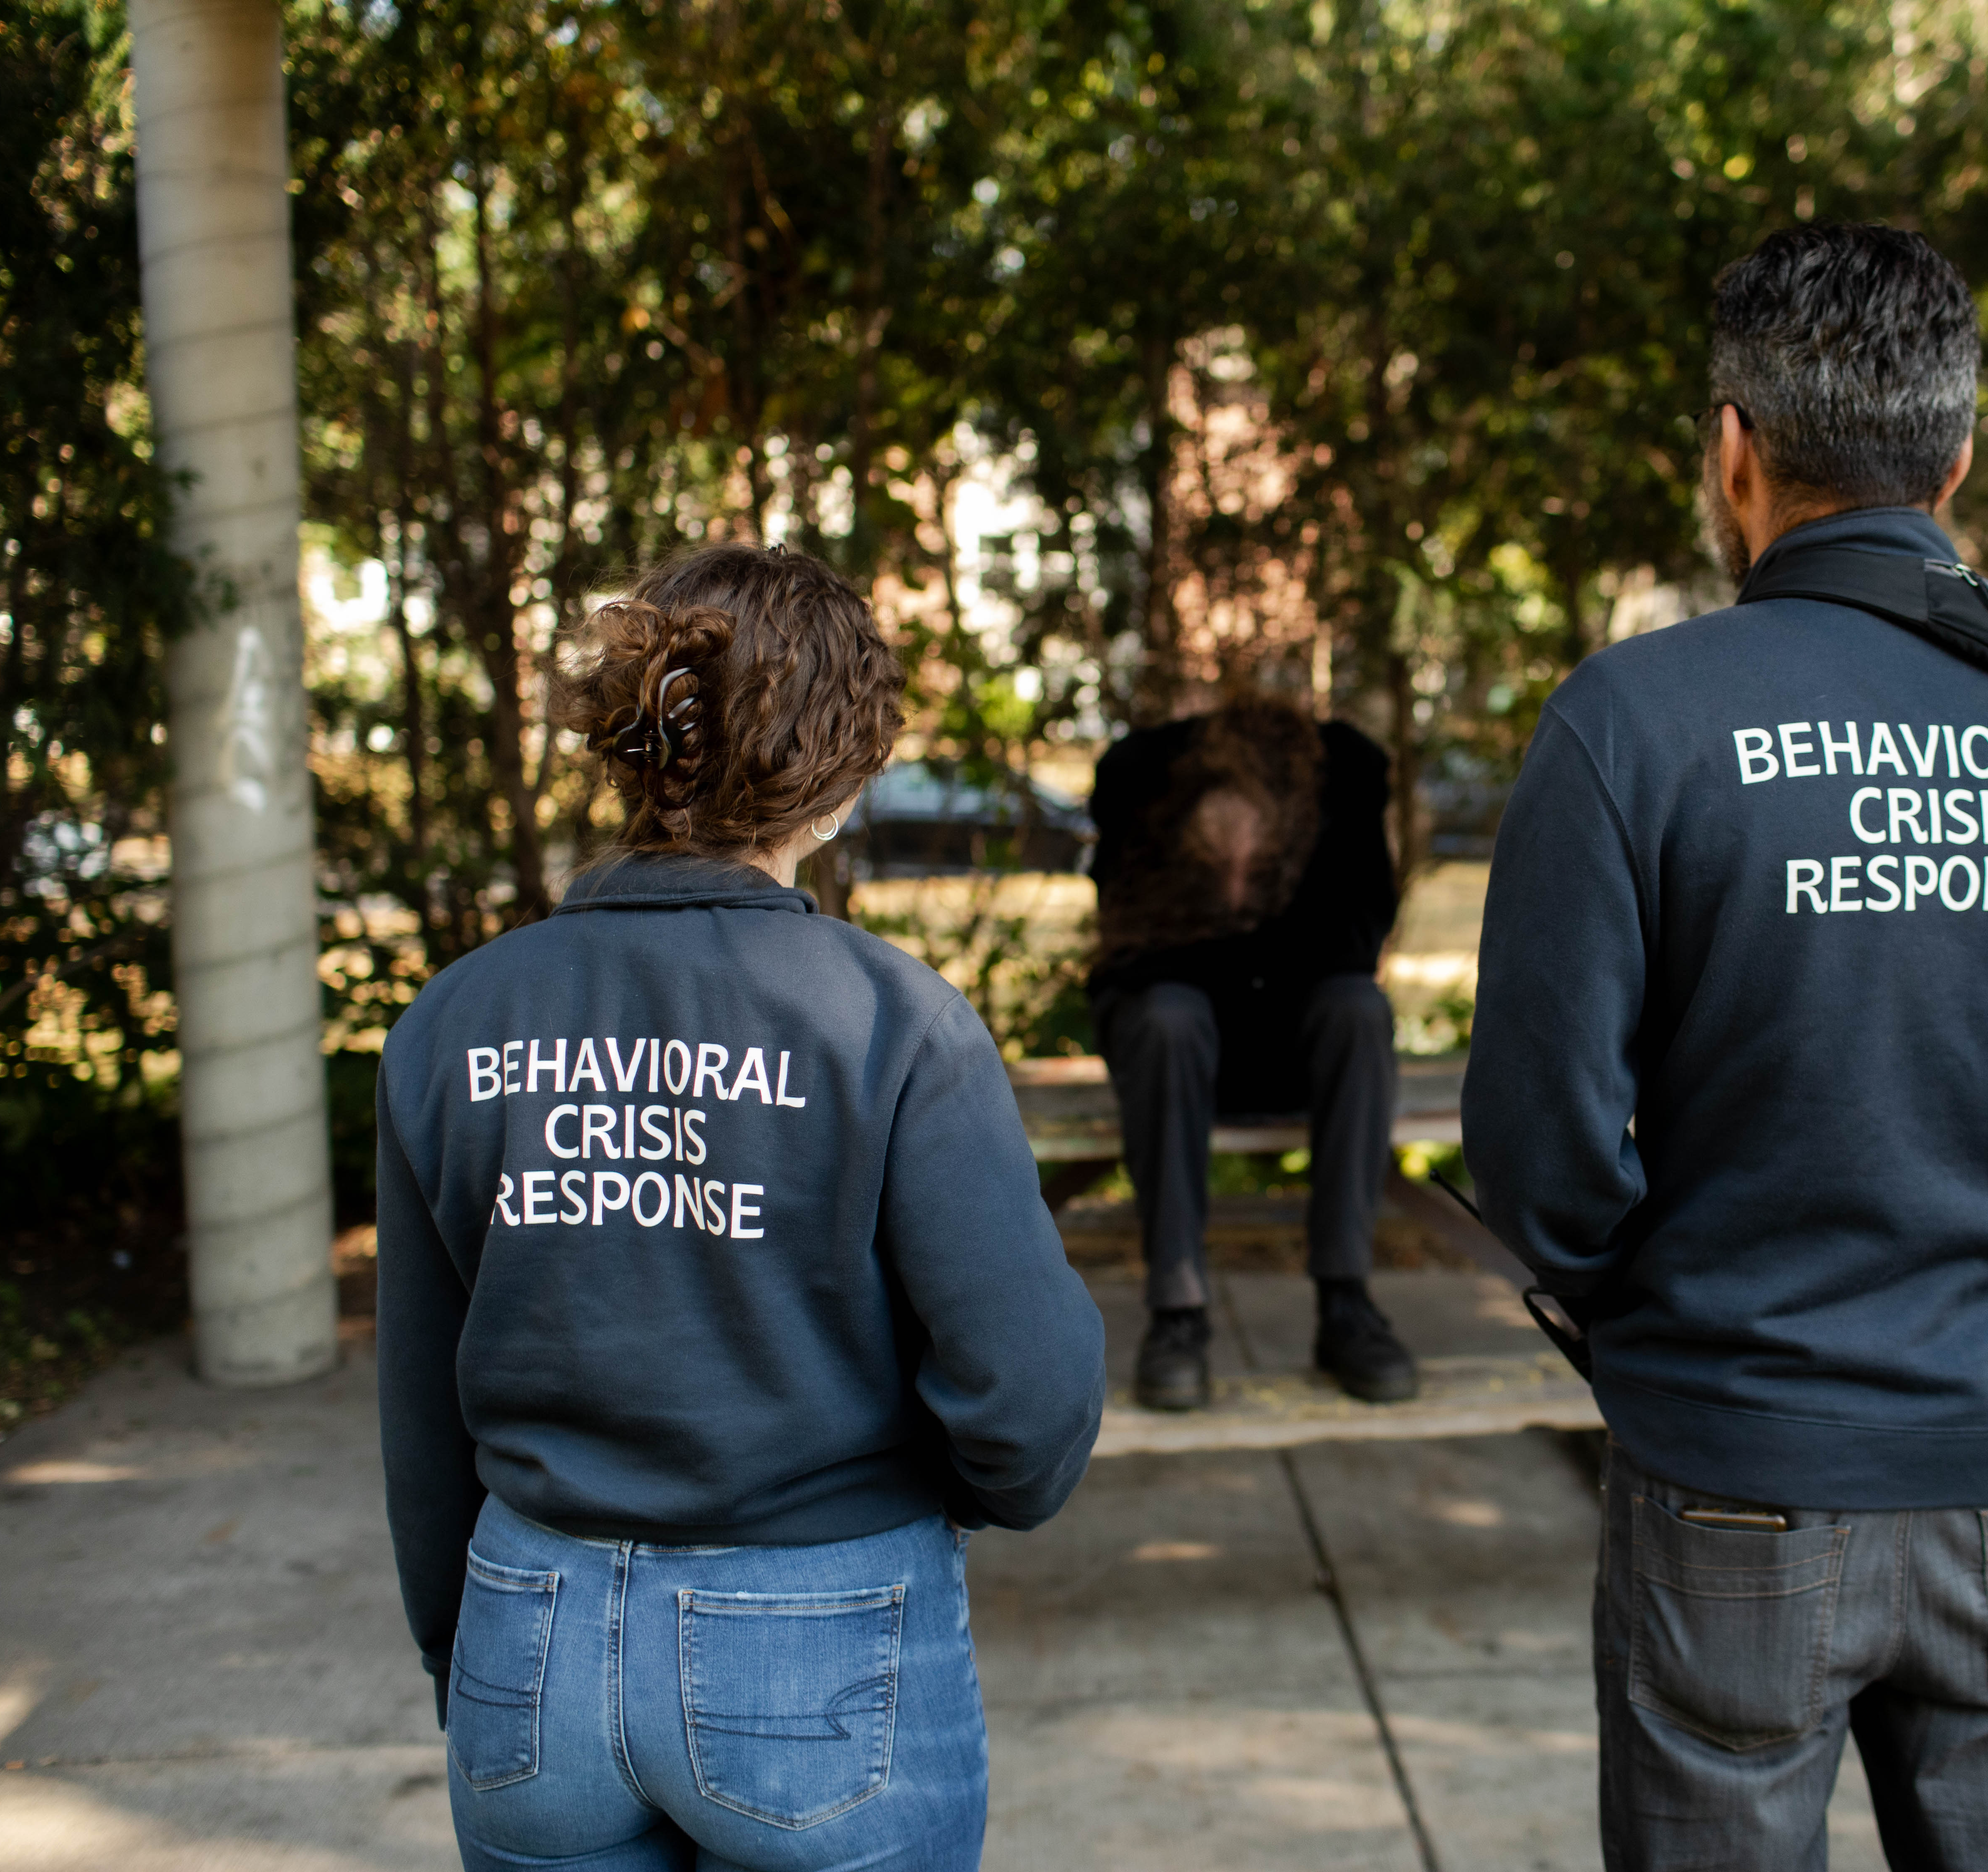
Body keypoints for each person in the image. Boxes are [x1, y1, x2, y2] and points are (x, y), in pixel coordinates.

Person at [1461, 224, 1988, 1871]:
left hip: (1731, 1479)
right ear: (1956, 456)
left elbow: (1534, 1152)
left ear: (1735, 450)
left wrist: (1682, 1310)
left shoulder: (1631, 720)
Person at [376, 542, 1104, 1872]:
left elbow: (422, 1409)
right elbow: (1033, 1399)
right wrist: (925, 1491)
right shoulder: (892, 1025)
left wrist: (460, 1651)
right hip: (820, 1625)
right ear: (840, 770)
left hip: (527, 1635)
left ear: (630, 740)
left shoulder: (455, 1020)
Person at [1086, 694, 1418, 1410]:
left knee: (1359, 1010)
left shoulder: (1345, 784)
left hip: (1295, 1049)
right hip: (1176, 1051)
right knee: (1168, 1016)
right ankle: (1178, 1312)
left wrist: (1248, 943)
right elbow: (1129, 959)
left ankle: (1346, 1301)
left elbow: (1355, 949)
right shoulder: (1144, 787)